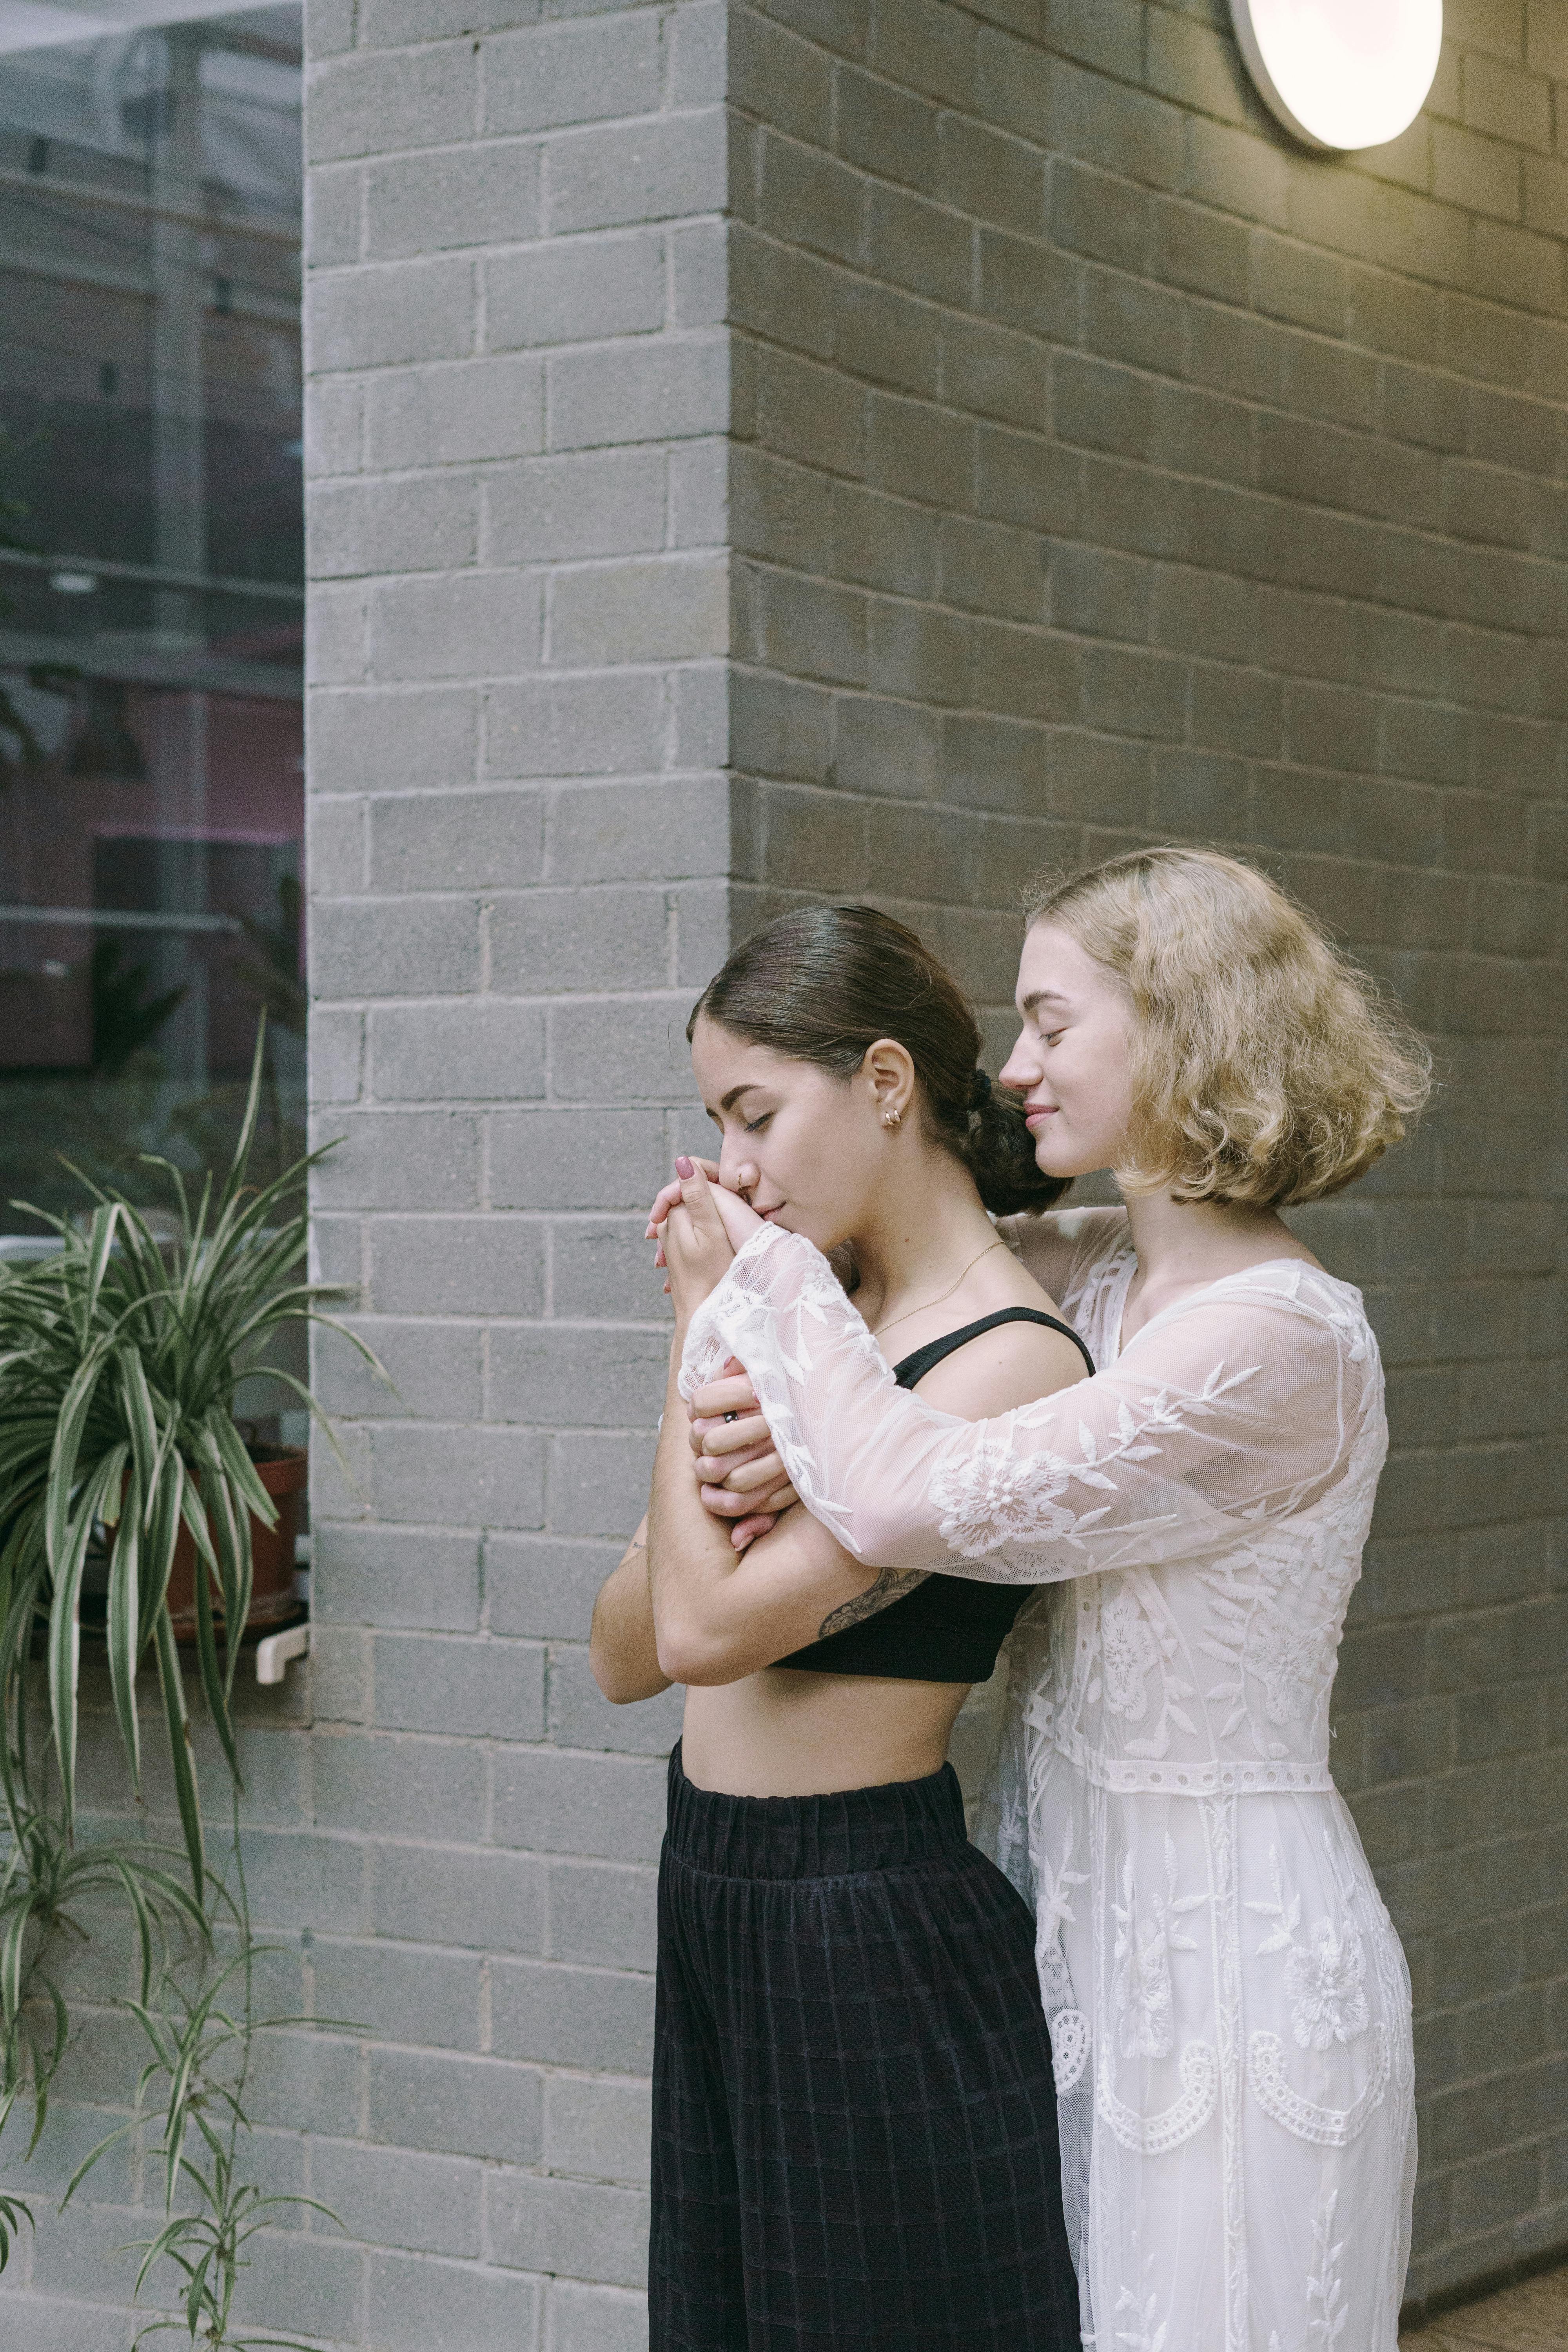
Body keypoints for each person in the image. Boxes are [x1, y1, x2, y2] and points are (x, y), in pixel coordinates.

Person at [660, 848, 1430, 2352]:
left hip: (1222, 1939)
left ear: (1186, 1031)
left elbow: (892, 1492)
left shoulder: (1276, 1341)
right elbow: (917, 1307)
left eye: (1050, 1024)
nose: (1013, 1072)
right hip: (1061, 1906)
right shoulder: (1085, 1272)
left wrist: (753, 1291)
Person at [590, 904, 1090, 2352]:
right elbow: (624, 1652)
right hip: (716, 1880)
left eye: (755, 1115)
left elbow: (702, 1632)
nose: (731, 1170)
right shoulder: (821, 1317)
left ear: (884, 1083)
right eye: (716, 1125)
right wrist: (734, 1350)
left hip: (865, 1918)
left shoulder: (1006, 1360)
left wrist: (707, 1328)